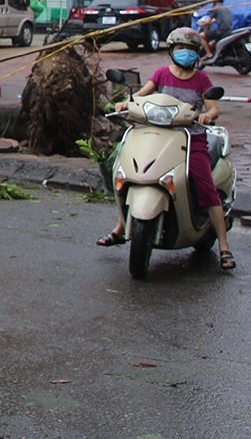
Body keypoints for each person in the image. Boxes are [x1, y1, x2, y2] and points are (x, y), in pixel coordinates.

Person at [96, 27, 236, 271]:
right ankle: (120, 228)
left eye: (190, 50)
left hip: (190, 139)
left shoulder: (201, 80)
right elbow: (139, 97)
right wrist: (124, 103)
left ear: (197, 54)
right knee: (124, 173)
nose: (185, 54)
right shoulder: (161, 74)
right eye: (181, 49)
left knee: (205, 188)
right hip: (157, 135)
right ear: (171, 51)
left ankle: (224, 246)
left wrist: (206, 116)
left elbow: (213, 109)